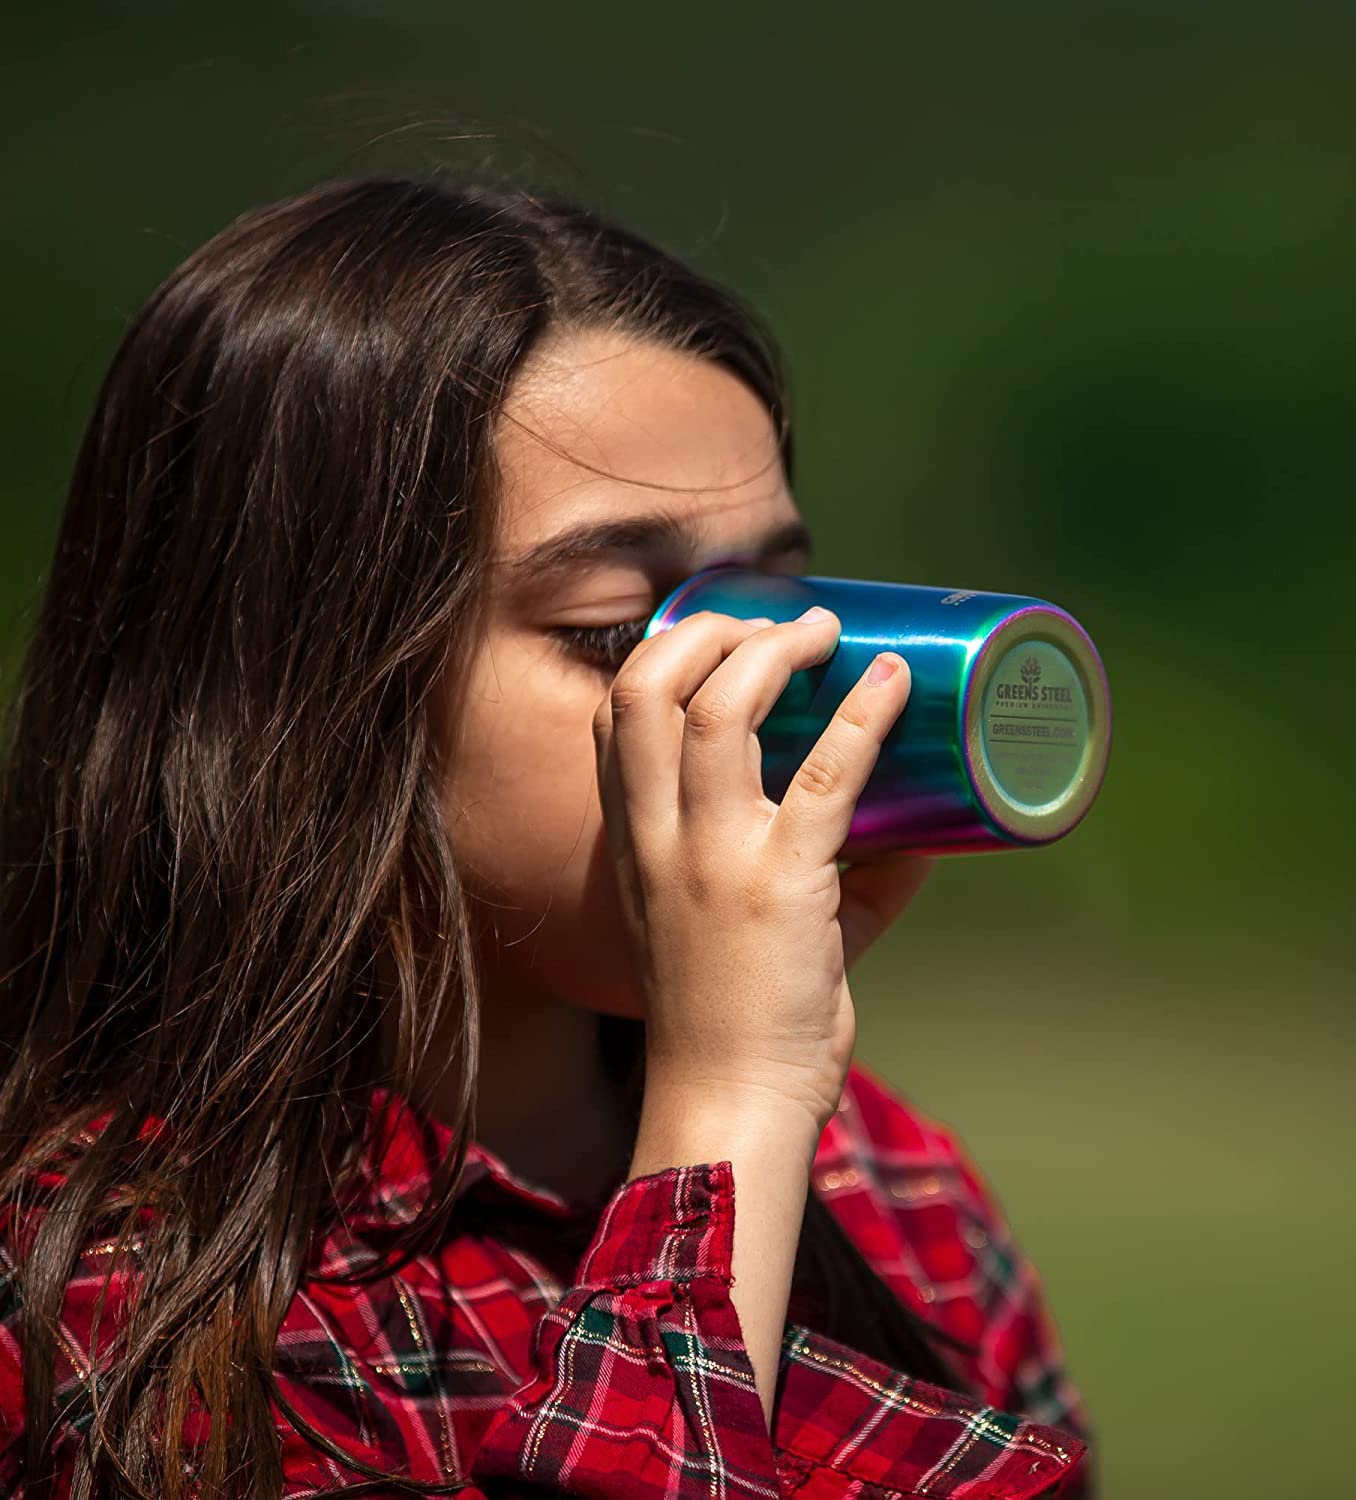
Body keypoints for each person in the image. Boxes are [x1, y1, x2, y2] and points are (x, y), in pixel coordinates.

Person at [0, 177, 1093, 1499]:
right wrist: (732, 1108)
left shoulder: (885, 1183)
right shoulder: (116, 1289)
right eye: (626, 633)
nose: (749, 699)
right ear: (298, 694)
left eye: (781, 608)